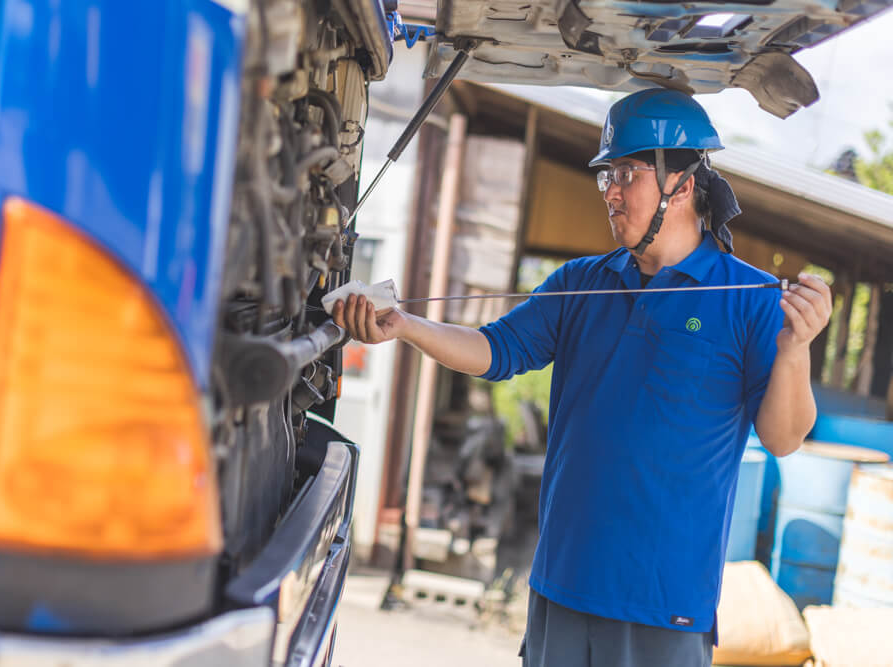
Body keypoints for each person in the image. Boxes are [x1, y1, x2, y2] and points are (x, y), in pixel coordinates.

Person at [333, 88, 832, 667]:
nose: (612, 193)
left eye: (628, 174)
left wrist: (796, 350)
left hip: (662, 603)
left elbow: (783, 438)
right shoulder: (580, 282)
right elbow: (495, 349)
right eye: (607, 177)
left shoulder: (750, 301)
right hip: (562, 583)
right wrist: (405, 325)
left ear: (683, 183)